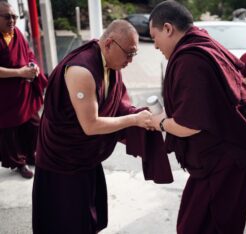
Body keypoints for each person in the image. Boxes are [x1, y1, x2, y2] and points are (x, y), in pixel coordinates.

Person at [32, 19, 173, 234]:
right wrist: (134, 120)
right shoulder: (82, 71)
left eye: (133, 54)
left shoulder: (111, 64)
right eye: (129, 53)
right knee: (65, 221)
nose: (130, 60)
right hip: (63, 160)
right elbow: (91, 125)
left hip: (87, 156)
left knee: (88, 217)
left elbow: (117, 104)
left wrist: (139, 114)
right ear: (108, 44)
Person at [148, 1, 246, 233]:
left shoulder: (190, 59)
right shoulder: (203, 43)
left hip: (231, 155)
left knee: (204, 225)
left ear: (168, 28)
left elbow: (190, 124)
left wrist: (161, 123)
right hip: (234, 146)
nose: (154, 45)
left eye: (154, 37)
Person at [0, 1, 47, 179]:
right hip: (5, 95)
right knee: (11, 132)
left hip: (24, 90)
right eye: (7, 17)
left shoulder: (17, 33)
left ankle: (32, 154)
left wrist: (33, 66)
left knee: (33, 125)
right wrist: (20, 72)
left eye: (14, 16)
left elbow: (28, 53)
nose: (12, 20)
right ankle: (18, 163)